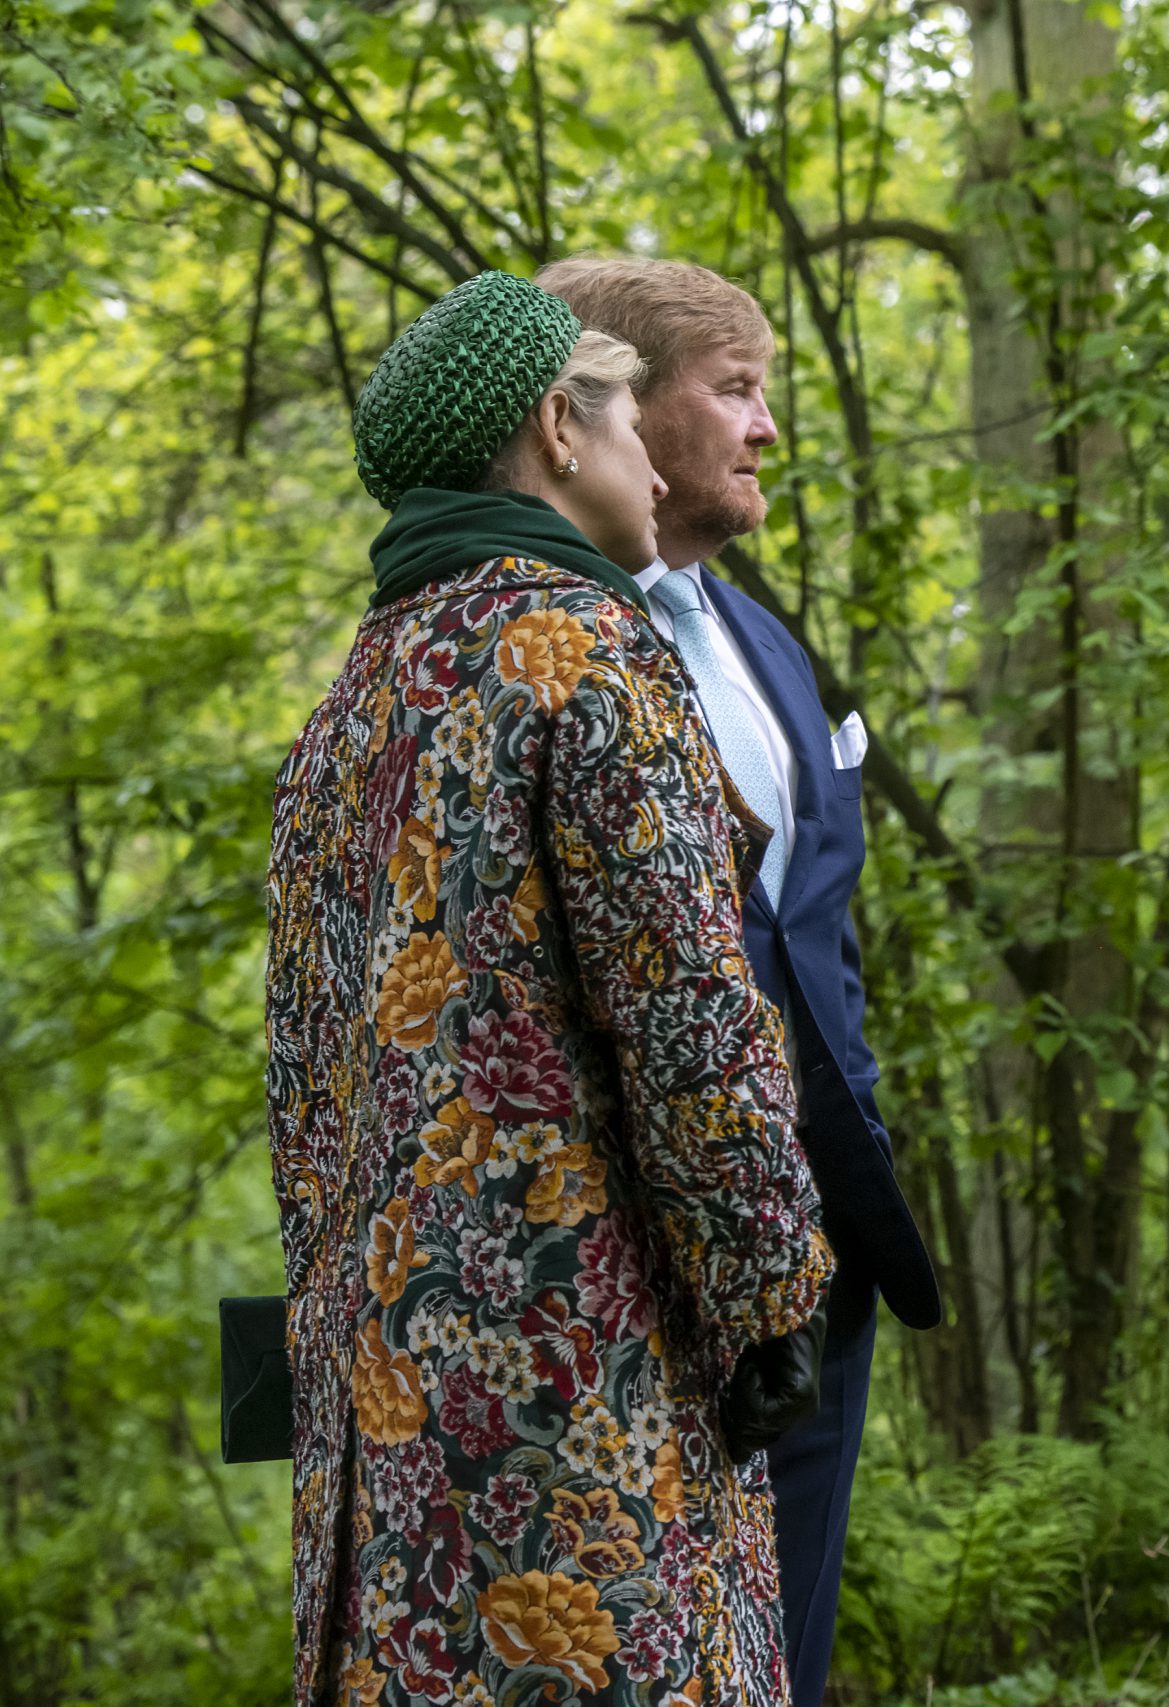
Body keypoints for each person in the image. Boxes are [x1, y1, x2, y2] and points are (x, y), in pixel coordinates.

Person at [264, 270, 833, 1706]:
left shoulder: (355, 699)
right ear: (557, 430)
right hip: (582, 1402)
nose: (656, 452)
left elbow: (302, 1074)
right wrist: (773, 1298)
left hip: (382, 1416)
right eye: (635, 412)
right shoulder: (585, 652)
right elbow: (694, 1021)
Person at [533, 255, 944, 1707]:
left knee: (796, 1644)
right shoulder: (542, 646)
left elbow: (810, 929)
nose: (766, 428)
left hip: (824, 1239)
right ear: (619, 408)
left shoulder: (767, 640)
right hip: (628, 1251)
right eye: (738, 391)